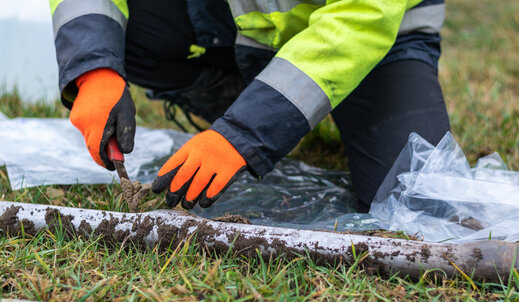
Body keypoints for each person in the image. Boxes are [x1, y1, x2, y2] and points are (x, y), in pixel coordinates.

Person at [49, 0, 450, 212]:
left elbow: (360, 18)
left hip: (379, 37)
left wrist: (244, 132)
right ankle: (246, 101)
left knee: (415, 195)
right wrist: (94, 68)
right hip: (237, 21)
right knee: (135, 29)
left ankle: (271, 113)